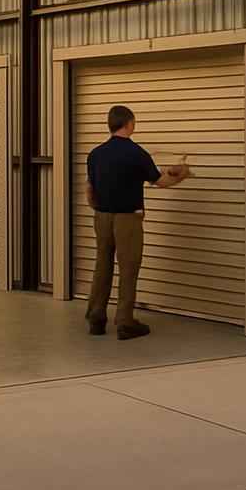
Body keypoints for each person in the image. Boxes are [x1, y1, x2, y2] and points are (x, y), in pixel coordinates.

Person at [85, 104, 190, 340]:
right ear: (130, 123)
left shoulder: (95, 154)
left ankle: (96, 316)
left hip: (101, 217)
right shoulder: (136, 153)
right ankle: (125, 322)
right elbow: (159, 181)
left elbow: (90, 191)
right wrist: (181, 174)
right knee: (128, 268)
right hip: (127, 219)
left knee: (102, 265)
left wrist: (101, 210)